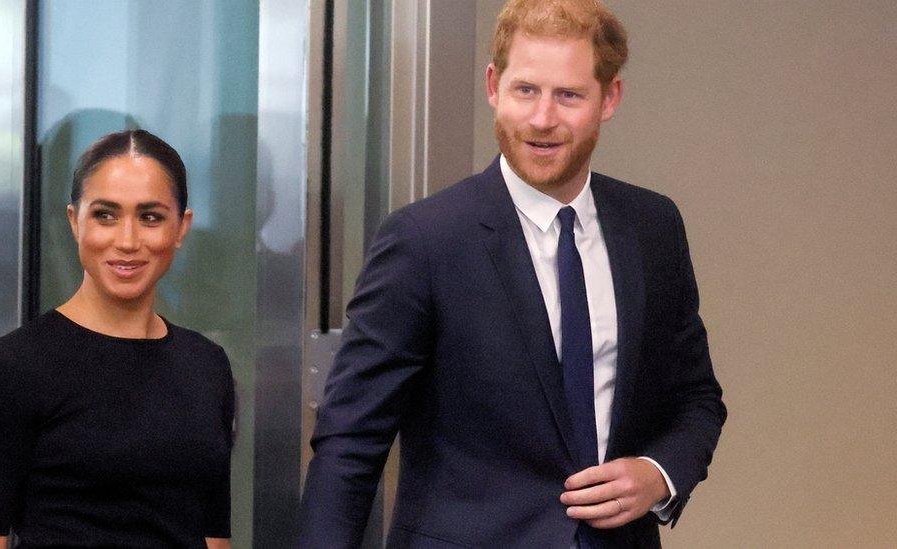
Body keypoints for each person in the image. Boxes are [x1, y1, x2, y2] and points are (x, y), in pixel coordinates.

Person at [300, 0, 726, 546]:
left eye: (569, 95)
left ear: (609, 98)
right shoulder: (424, 242)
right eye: (526, 90)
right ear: (493, 86)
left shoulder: (652, 227)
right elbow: (350, 443)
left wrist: (658, 474)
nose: (543, 118)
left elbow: (696, 397)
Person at [0, 130, 234, 549]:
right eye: (105, 215)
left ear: (181, 227)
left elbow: (213, 536)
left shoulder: (207, 366)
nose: (126, 241)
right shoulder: (11, 368)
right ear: (74, 221)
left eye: (151, 217)